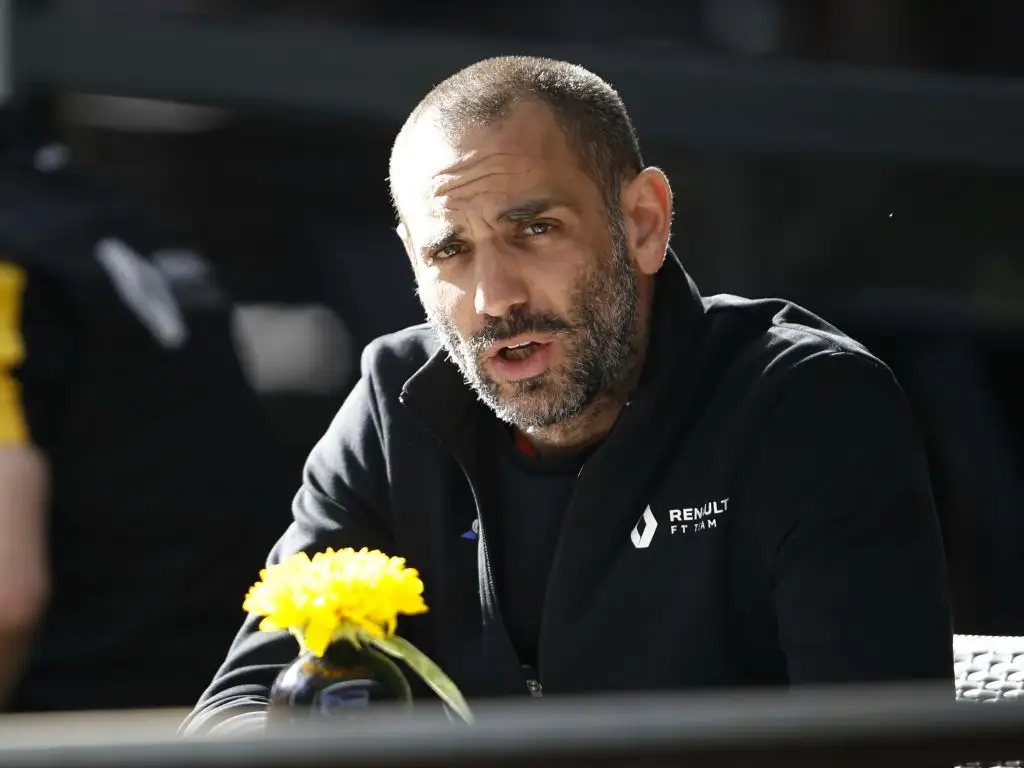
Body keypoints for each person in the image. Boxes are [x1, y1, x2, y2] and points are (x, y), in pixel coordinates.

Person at [183, 56, 952, 734]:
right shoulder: (397, 406)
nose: (494, 297)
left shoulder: (804, 406)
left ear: (644, 222)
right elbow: (239, 703)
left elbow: (877, 745)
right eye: (450, 250)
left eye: (535, 230)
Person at [0, 93, 294, 712]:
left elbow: (6, 600)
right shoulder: (115, 218)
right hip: (223, 691)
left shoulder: (16, 260)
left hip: (79, 713)